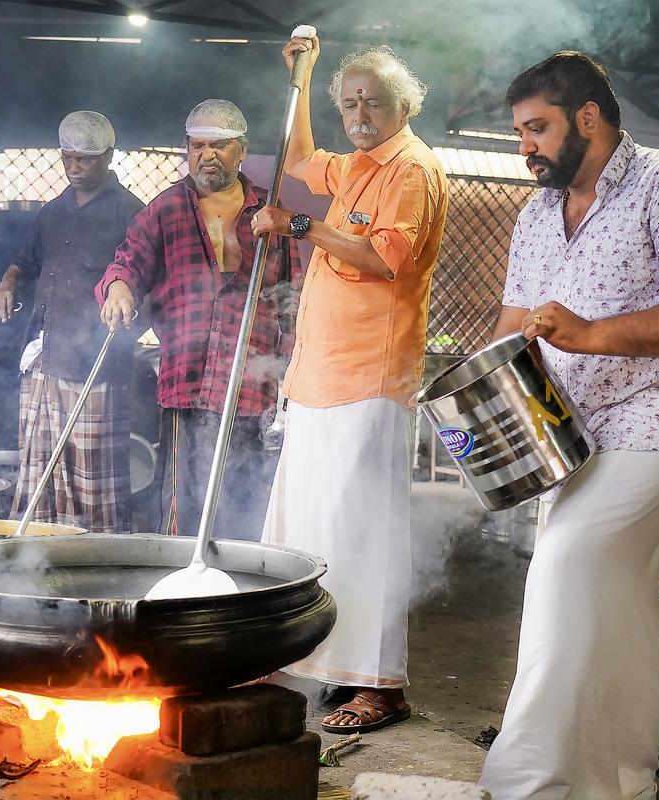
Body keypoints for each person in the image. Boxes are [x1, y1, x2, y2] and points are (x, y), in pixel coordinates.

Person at [478, 52, 659, 799]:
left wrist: (591, 333)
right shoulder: (537, 213)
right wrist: (466, 391)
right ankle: (625, 777)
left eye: (537, 128)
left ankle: (532, 783)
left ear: (588, 117)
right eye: (520, 132)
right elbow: (512, 327)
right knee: (621, 595)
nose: (525, 146)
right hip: (570, 432)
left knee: (567, 565)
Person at [251, 35, 449, 734]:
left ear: (405, 104)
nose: (360, 111)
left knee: (365, 532)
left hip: (371, 378)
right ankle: (298, 657)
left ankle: (378, 684)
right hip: (319, 377)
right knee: (306, 522)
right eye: (349, 101)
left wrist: (301, 224)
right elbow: (302, 160)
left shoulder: (411, 170)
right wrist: (302, 81)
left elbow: (382, 258)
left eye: (373, 99)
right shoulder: (359, 165)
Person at [97, 100, 302, 541]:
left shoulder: (269, 213)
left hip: (252, 383)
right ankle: (180, 591)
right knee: (181, 501)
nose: (207, 156)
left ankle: (238, 593)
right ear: (186, 149)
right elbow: (127, 261)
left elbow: (293, 296)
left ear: (241, 150)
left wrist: (292, 370)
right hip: (185, 380)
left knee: (243, 497)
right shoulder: (165, 209)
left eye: (220, 146)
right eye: (197, 146)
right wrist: (118, 286)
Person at [0, 110, 145, 533]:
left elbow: (147, 280)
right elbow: (24, 262)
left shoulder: (130, 213)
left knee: (90, 470)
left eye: (85, 159)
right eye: (68, 158)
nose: (74, 168)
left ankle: (96, 551)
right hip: (46, 354)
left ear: (109, 156)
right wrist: (8, 282)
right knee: (37, 461)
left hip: (96, 365)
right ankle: (37, 550)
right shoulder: (51, 213)